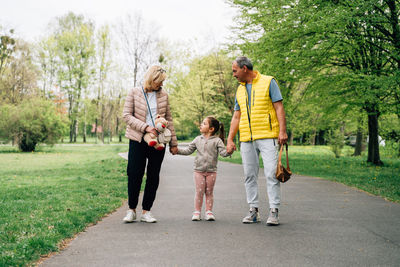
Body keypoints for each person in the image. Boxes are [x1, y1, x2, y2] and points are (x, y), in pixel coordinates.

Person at [226, 56, 288, 226]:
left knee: (270, 174)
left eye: (235, 71)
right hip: (247, 138)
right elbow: (236, 116)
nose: (234, 75)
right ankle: (253, 211)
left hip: (268, 136)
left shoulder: (269, 82)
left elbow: (279, 107)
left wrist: (282, 131)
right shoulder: (239, 90)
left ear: (244, 68)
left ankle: (274, 211)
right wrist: (230, 139)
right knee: (249, 175)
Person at [122, 65, 178, 223]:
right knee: (134, 174)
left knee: (153, 175)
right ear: (151, 79)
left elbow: (169, 119)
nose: (161, 85)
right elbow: (126, 115)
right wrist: (145, 127)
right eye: (159, 82)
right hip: (138, 139)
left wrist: (173, 143)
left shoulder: (164, 95)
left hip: (158, 141)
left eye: (162, 82)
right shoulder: (134, 92)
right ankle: (131, 210)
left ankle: (147, 211)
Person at [177, 116, 231, 221]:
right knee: (199, 192)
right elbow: (188, 150)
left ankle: (209, 212)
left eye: (204, 123)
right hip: (199, 171)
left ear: (211, 129)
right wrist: (177, 150)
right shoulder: (197, 139)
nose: (201, 125)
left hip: (211, 172)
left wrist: (230, 151)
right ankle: (197, 212)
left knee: (209, 192)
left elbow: (223, 153)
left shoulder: (217, 141)